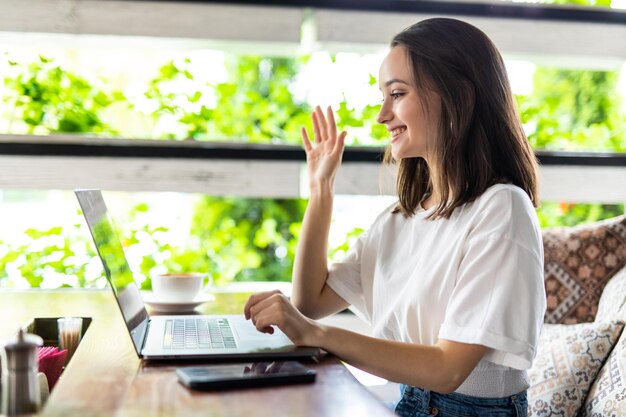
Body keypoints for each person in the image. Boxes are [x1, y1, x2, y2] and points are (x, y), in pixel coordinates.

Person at [244, 17, 546, 417]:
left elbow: (449, 369)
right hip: (410, 401)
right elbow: (309, 301)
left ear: (460, 96)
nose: (382, 115)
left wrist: (316, 334)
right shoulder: (399, 218)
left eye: (397, 94)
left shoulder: (502, 209)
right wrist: (321, 189)